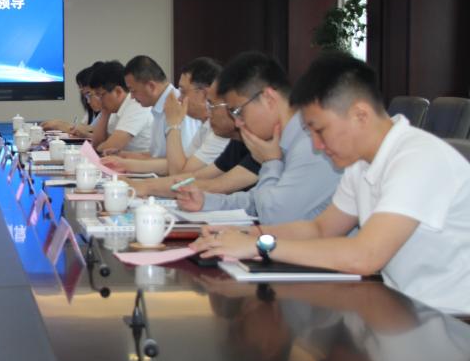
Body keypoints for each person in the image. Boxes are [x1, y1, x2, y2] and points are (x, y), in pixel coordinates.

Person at [194, 53, 470, 314]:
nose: (316, 145)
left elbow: (365, 256)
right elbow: (320, 228)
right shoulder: (361, 163)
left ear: (360, 115)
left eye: (320, 130)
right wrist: (245, 233)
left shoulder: (417, 158)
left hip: (451, 320)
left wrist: (260, 245)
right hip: (402, 311)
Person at [175, 51, 340, 225]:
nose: (237, 123)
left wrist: (270, 163)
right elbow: (257, 201)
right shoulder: (283, 140)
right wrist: (206, 202)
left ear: (268, 99)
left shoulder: (311, 145)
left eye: (238, 111)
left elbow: (273, 216)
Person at [129, 81, 260, 198]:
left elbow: (217, 185)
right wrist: (141, 183)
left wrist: (173, 125)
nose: (208, 113)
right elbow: (193, 177)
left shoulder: (257, 142)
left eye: (212, 105)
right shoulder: (236, 141)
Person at [103, 57, 228, 175]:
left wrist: (174, 125)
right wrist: (124, 160)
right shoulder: (203, 124)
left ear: (205, 94)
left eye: (183, 91)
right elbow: (168, 160)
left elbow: (179, 171)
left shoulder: (180, 109)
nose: (179, 98)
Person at [123, 55, 202, 159]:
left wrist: (126, 163)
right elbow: (157, 155)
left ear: (151, 86)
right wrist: (122, 156)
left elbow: (182, 160)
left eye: (133, 91)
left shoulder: (179, 105)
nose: (132, 97)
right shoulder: (158, 106)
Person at [86, 60, 152, 154]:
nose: (99, 101)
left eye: (101, 95)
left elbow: (109, 147)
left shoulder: (137, 105)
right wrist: (105, 112)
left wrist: (100, 147)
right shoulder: (113, 109)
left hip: (143, 162)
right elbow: (96, 144)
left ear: (118, 92)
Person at [42, 64, 101, 137]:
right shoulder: (93, 111)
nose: (81, 90)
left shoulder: (109, 112)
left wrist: (61, 125)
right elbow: (85, 128)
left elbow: (94, 131)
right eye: (80, 87)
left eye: (88, 93)